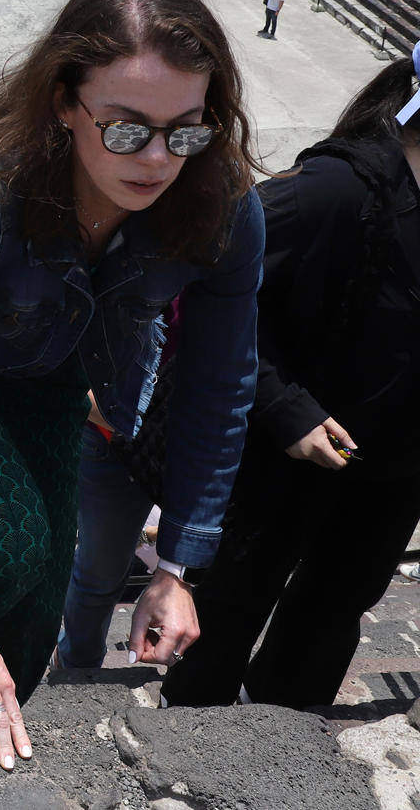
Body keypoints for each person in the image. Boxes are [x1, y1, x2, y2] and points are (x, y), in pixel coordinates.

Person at [0, 0, 263, 772]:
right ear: (65, 102)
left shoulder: (222, 204)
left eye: (185, 130)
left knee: (43, 606)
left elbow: (221, 388)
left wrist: (178, 565)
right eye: (124, 129)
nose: (155, 159)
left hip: (57, 370)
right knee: (7, 549)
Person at [160, 48, 420, 710]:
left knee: (334, 608)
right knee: (232, 601)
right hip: (289, 454)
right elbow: (210, 281)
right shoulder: (339, 190)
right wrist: (284, 403)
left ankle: (286, 738)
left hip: (392, 472)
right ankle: (188, 739)